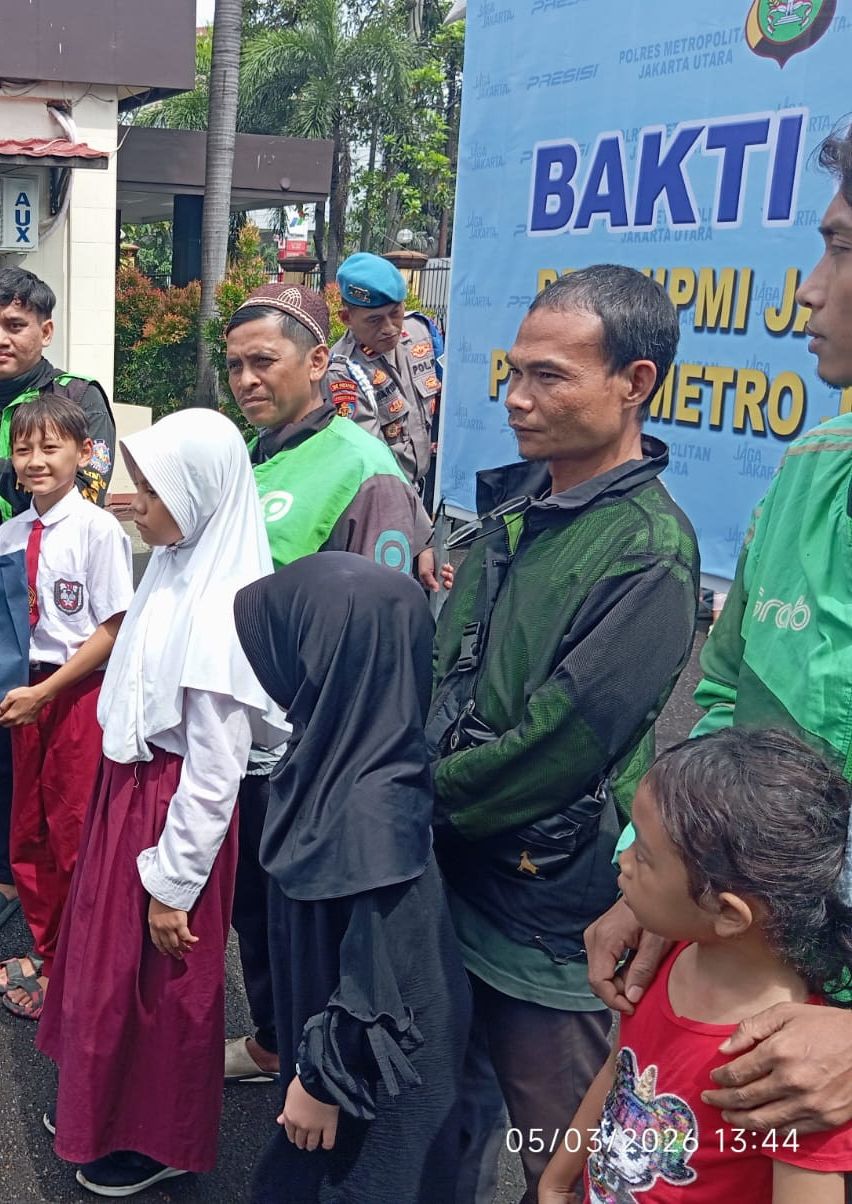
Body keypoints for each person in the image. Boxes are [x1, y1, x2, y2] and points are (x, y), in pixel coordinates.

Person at [585, 123, 852, 1142]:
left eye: (842, 250)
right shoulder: (811, 466)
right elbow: (727, 693)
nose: (809, 291)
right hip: (760, 982)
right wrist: (665, 877)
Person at [426, 264, 700, 1202]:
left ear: (636, 383)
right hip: (452, 874)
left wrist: (411, 797)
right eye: (512, 373)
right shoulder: (515, 504)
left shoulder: (647, 552)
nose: (516, 399)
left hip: (547, 914)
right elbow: (447, 672)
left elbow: (560, 746)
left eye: (550, 376)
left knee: (565, 1160)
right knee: (438, 1124)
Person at [37, 408, 289, 1198]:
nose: (131, 500)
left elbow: (215, 772)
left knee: (158, 987)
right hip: (133, 796)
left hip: (170, 817)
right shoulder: (180, 565)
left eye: (151, 487)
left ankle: (158, 1136)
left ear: (203, 493)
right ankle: (100, 1106)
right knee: (111, 971)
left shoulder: (224, 604)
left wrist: (173, 884)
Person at [218, 282, 441, 1087]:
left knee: (313, 919)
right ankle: (277, 1039)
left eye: (264, 362)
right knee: (255, 906)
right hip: (243, 736)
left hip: (313, 750)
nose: (247, 380)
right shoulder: (257, 452)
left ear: (318, 361)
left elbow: (383, 631)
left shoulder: (363, 466)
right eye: (235, 365)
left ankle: (326, 1076)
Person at [234, 552, 471, 1203]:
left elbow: (379, 975)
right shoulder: (347, 749)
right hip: (344, 1057)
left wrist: (321, 1077)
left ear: (327, 656)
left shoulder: (371, 804)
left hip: (370, 1079)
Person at [541, 730, 852, 1203]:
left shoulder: (797, 1073)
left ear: (728, 913)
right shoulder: (668, 960)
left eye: (643, 855)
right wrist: (558, 1179)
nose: (622, 862)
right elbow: (619, 1073)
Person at [0, 267, 118, 943]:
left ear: (45, 330)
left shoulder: (76, 399)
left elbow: (93, 487)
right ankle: (2, 874)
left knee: (68, 770)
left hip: (60, 624)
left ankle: (75, 894)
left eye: (14, 325)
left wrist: (3, 470)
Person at [0, 395, 132, 1021]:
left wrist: (46, 691)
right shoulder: (10, 534)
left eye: (50, 447)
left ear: (84, 452)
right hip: (23, 693)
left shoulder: (99, 531)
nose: (35, 461)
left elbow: (114, 628)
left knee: (73, 831)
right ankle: (48, 949)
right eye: (23, 449)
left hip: (72, 695)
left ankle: (75, 968)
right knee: (29, 828)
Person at [330, 251, 444, 505]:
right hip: (385, 500)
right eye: (374, 320)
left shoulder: (421, 333)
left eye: (395, 313)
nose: (390, 327)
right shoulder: (343, 372)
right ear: (347, 319)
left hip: (424, 488)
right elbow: (371, 462)